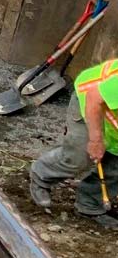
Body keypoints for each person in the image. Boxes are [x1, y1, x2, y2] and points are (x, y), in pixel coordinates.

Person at [29, 58, 118, 230]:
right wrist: (96, 139)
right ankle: (41, 175)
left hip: (113, 118)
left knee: (115, 167)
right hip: (90, 103)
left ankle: (89, 204)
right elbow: (94, 97)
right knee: (78, 157)